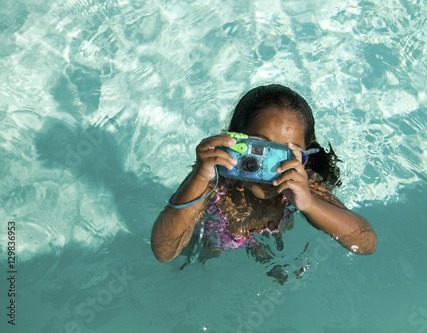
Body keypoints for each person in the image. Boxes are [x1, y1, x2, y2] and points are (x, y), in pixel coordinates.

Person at [151, 84, 376, 265]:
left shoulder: (303, 182)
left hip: (267, 238)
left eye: (286, 153)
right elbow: (164, 252)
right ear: (235, 139)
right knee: (201, 256)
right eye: (260, 147)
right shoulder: (214, 178)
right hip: (215, 242)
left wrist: (309, 204)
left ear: (305, 153)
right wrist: (200, 176)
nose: (271, 166)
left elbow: (366, 243)